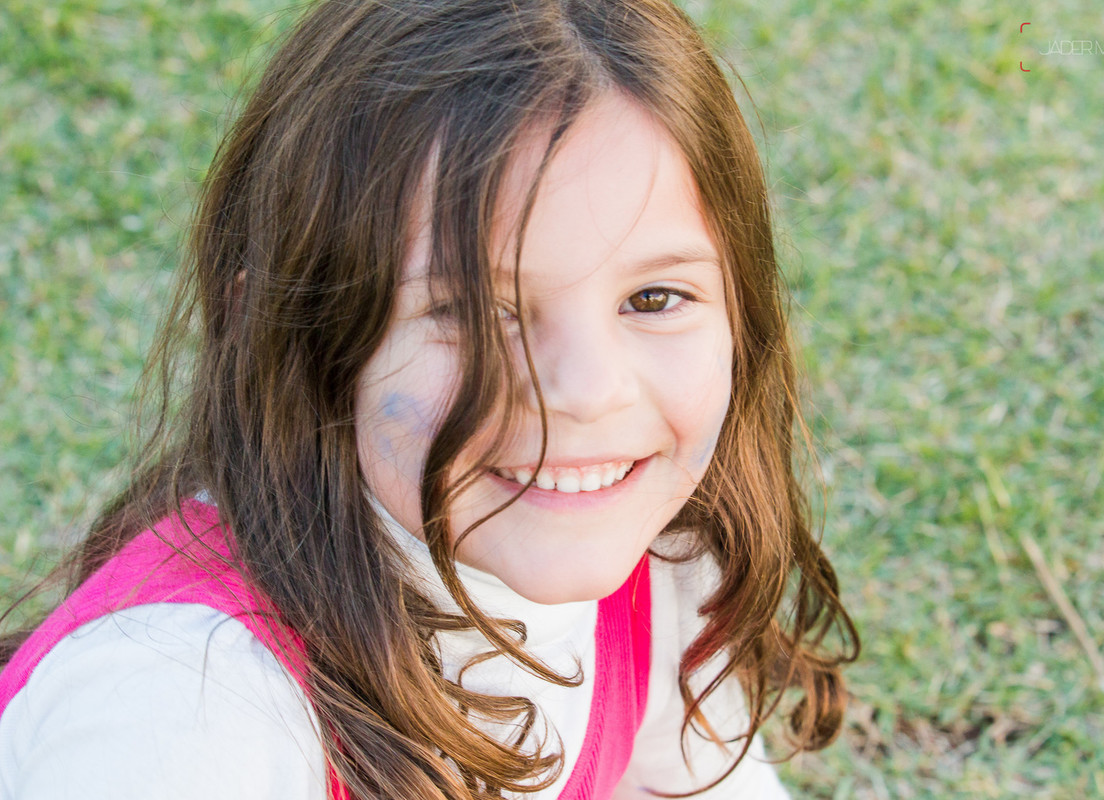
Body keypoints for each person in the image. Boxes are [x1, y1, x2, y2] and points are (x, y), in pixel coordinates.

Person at [0, 0, 859, 797]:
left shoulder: (654, 553)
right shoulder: (179, 715)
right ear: (281, 328)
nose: (590, 393)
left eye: (654, 299)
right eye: (476, 313)